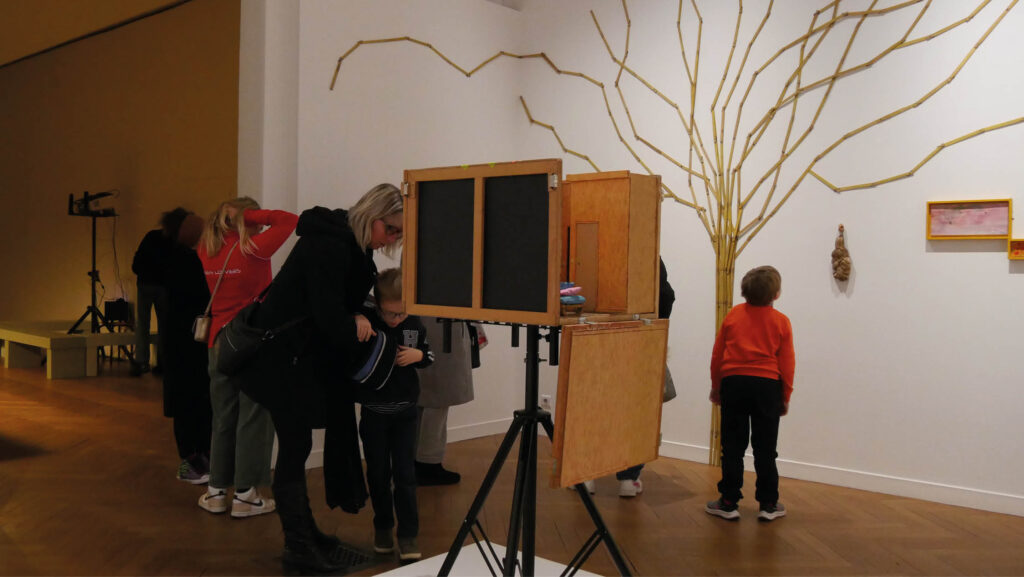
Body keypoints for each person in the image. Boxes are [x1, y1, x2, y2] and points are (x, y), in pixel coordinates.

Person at [233, 184, 404, 573]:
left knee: (297, 446)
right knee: (294, 449)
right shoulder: (330, 245)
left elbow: (331, 308)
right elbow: (328, 314)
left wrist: (356, 314)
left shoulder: (343, 242)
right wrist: (356, 320)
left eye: (398, 234)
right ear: (372, 216)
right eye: (391, 230)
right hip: (284, 362)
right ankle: (298, 547)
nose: (392, 240)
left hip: (298, 359)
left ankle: (307, 537)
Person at [196, 198, 298, 518]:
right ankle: (244, 496)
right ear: (247, 219)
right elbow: (289, 220)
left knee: (223, 418)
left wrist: (232, 217)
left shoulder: (207, 249)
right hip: (252, 344)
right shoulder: (253, 248)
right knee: (253, 419)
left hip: (217, 343)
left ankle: (215, 493)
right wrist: (251, 215)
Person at [355, 268, 433, 562]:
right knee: (377, 473)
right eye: (389, 314)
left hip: (406, 414)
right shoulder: (369, 320)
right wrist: (357, 318)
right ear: (378, 306)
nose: (395, 320)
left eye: (401, 314)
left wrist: (420, 356)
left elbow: (429, 354)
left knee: (405, 475)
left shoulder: (415, 322)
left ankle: (408, 534)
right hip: (374, 413)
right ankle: (383, 527)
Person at [706, 265, 794, 522]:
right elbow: (787, 363)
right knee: (766, 448)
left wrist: (716, 385)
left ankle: (729, 501)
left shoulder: (733, 315)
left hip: (734, 383)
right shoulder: (781, 322)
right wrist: (785, 395)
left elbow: (717, 355)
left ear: (744, 292)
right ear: (776, 294)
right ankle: (768, 503)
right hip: (767, 386)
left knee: (732, 446)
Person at [582, 257, 675, 497]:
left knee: (595, 409)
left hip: (599, 338)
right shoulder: (649, 251)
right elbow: (666, 295)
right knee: (636, 413)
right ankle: (629, 479)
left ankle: (587, 476)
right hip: (640, 340)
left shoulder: (597, 247)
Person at [159, 209, 212, 484]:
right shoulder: (188, 262)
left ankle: (197, 459)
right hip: (188, 344)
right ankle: (192, 462)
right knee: (191, 402)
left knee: (191, 402)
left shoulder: (178, 259)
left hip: (185, 343)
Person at [414, 318, 481, 486]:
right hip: (440, 324)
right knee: (438, 397)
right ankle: (427, 463)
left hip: (434, 323)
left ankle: (419, 460)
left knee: (428, 397)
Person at [130, 214, 175, 376]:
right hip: (164, 286)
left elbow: (137, 262)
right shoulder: (175, 243)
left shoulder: (151, 236)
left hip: (144, 283)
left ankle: (141, 361)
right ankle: (162, 362)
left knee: (142, 323)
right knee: (164, 324)